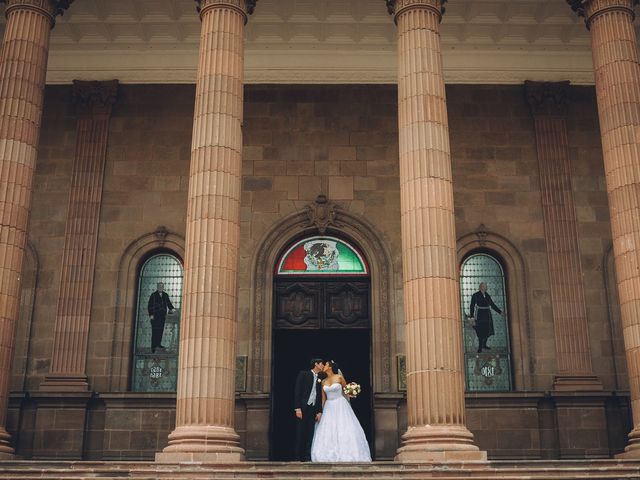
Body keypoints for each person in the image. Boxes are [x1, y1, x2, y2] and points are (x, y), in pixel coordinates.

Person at [310, 360, 371, 462]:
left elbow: (346, 390)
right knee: (328, 429)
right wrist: (320, 412)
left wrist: (352, 392)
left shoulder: (339, 377)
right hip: (329, 406)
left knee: (344, 427)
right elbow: (323, 399)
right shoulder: (323, 381)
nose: (324, 366)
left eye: (326, 364)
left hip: (340, 404)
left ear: (330, 367)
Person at [293, 358, 325, 461]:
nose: (323, 366)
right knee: (300, 432)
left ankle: (308, 456)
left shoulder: (321, 378)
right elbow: (298, 391)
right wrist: (297, 408)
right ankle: (298, 456)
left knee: (310, 433)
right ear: (316, 364)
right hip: (303, 408)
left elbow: (320, 396)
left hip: (313, 408)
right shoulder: (304, 374)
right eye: (321, 364)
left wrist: (319, 411)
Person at [469, 282, 503, 353]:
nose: (485, 287)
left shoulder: (487, 295)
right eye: (483, 286)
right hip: (480, 315)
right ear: (480, 287)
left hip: (487, 315)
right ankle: (480, 347)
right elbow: (472, 305)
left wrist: (500, 312)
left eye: (485, 286)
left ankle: (484, 345)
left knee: (487, 330)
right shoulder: (475, 295)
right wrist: (472, 316)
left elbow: (492, 305)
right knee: (480, 331)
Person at [147, 282, 175, 353]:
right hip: (155, 316)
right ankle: (153, 346)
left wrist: (173, 309)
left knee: (160, 330)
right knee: (155, 331)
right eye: (159, 286)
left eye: (162, 286)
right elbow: (150, 305)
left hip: (162, 316)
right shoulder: (153, 295)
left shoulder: (165, 295)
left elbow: (169, 303)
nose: (161, 287)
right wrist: (151, 314)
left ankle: (158, 344)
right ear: (157, 287)